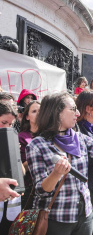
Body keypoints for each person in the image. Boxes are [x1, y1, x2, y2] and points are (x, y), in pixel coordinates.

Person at [26, 92, 93, 235]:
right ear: (56, 111)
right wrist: (56, 174)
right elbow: (41, 189)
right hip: (57, 218)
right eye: (72, 109)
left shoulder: (80, 138)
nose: (78, 113)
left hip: (85, 215)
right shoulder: (37, 145)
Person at [0, 101, 22, 235]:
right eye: (3, 122)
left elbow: (21, 175)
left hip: (8, 212)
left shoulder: (11, 141)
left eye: (10, 124)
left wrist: (15, 155)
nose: (7, 128)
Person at [19, 100, 40, 208]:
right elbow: (22, 167)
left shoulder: (50, 135)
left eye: (41, 111)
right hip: (30, 188)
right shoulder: (22, 137)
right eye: (34, 111)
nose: (38, 114)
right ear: (27, 117)